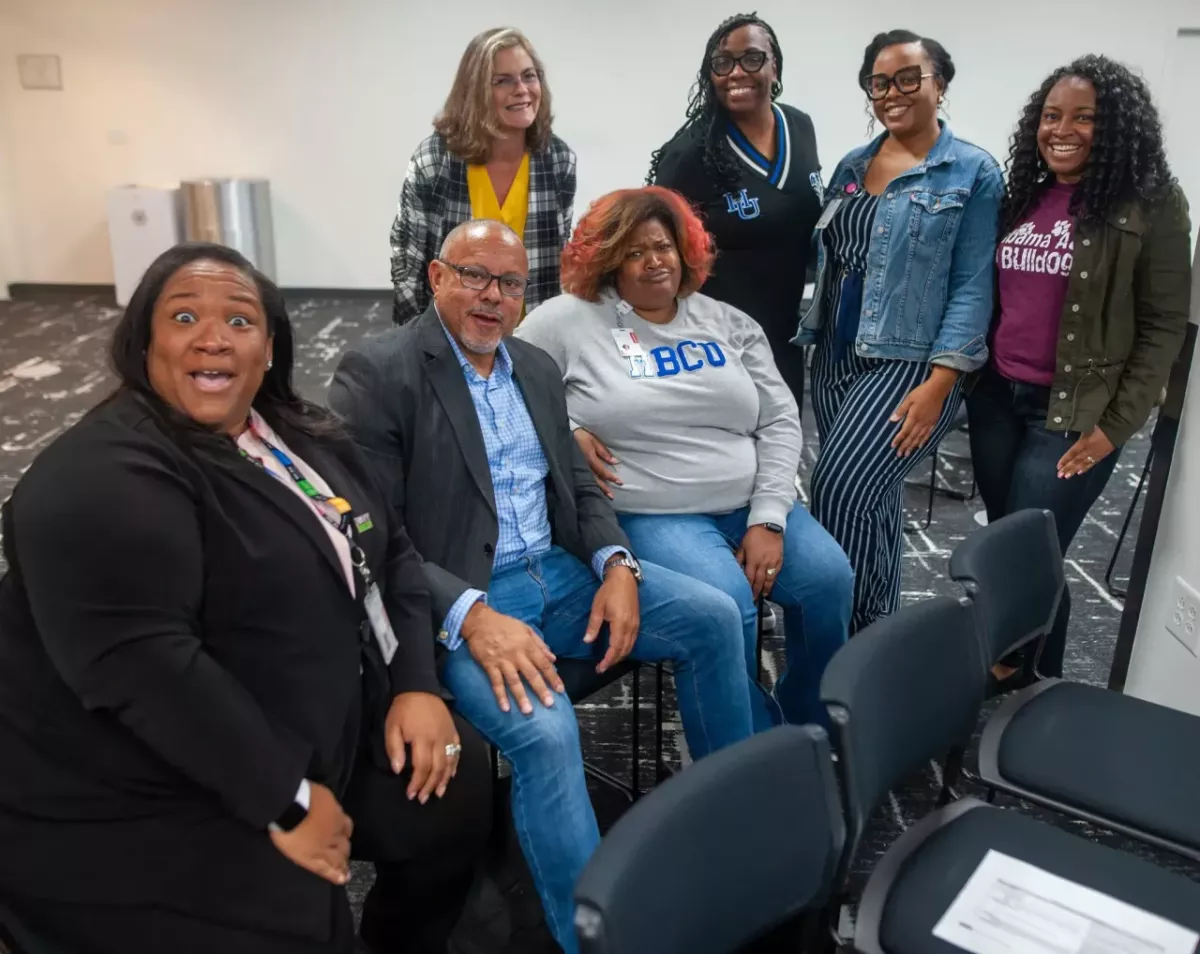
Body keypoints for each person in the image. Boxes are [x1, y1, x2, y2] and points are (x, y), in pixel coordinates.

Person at [0, 243, 491, 954]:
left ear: (267, 350)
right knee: (301, 916)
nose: (212, 337)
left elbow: (392, 551)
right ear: (144, 343)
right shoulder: (97, 479)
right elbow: (155, 678)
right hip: (157, 778)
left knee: (455, 790)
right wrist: (290, 803)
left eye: (239, 321)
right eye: (185, 317)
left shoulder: (299, 433)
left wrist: (416, 684)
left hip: (312, 725)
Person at [329, 219, 754, 953]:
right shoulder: (381, 371)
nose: (492, 297)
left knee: (715, 616)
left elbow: (580, 487)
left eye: (509, 283)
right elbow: (370, 531)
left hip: (559, 575)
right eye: (474, 276)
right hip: (464, 601)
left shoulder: (534, 367)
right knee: (549, 733)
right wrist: (469, 614)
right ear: (436, 277)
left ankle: (734, 820)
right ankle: (596, 935)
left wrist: (617, 564)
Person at [517, 186, 853, 731]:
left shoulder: (726, 321)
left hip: (750, 501)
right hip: (655, 513)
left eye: (663, 246)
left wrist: (768, 516)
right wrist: (569, 429)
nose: (654, 262)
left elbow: (781, 419)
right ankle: (750, 750)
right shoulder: (567, 321)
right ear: (605, 259)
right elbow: (508, 386)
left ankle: (810, 720)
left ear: (684, 250)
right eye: (633, 251)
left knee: (830, 580)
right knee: (728, 603)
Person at [967, 55, 1192, 684]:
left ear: (1116, 126)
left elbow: (1163, 326)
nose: (1061, 129)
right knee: (1010, 546)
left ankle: (1035, 683)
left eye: (1084, 118)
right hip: (995, 398)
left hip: (1071, 415)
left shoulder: (1152, 204)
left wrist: (1117, 426)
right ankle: (1016, 662)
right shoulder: (1025, 193)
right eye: (1051, 116)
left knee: (1032, 555)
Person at [793, 29, 1003, 633]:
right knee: (874, 498)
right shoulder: (853, 166)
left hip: (910, 361)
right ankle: (880, 625)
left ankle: (845, 629)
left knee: (839, 486)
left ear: (940, 82)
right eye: (879, 82)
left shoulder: (971, 172)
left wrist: (942, 382)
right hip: (835, 352)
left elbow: (972, 285)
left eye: (909, 77)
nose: (892, 92)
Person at [648, 12, 821, 409]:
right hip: (716, 345)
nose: (736, 73)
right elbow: (654, 251)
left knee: (781, 449)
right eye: (723, 63)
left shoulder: (799, 126)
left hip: (784, 337)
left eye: (753, 59)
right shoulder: (689, 154)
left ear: (775, 66)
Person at [389, 26, 575, 325]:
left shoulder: (558, 160)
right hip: (452, 332)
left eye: (529, 76)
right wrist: (418, 344)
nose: (522, 89)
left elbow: (558, 262)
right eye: (503, 81)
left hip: (530, 332)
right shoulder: (435, 161)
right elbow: (407, 264)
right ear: (475, 90)